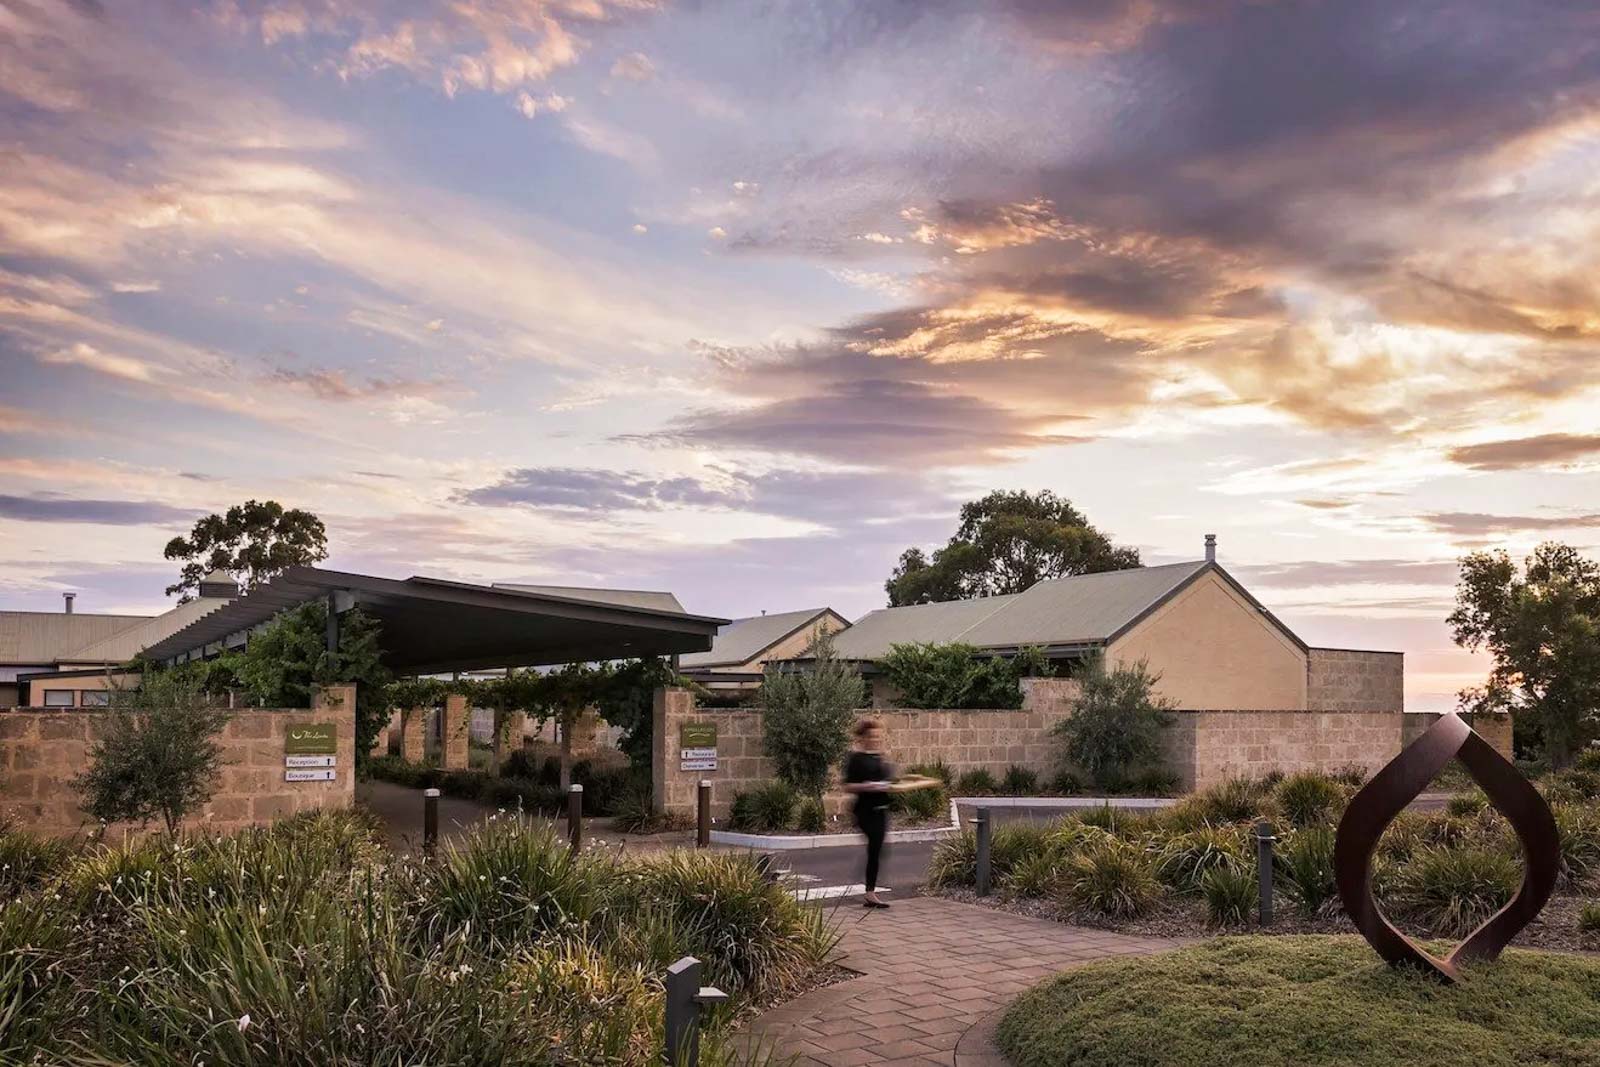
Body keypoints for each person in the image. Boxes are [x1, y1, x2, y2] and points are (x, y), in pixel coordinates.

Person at [843, 717, 893, 908]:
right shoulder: (855, 759)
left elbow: (887, 782)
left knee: (878, 850)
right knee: (875, 847)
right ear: (863, 738)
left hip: (881, 810)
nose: (875, 739)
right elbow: (848, 786)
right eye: (871, 736)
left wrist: (887, 786)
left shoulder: (879, 757)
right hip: (864, 812)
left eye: (877, 736)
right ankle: (869, 893)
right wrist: (867, 786)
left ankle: (868, 890)